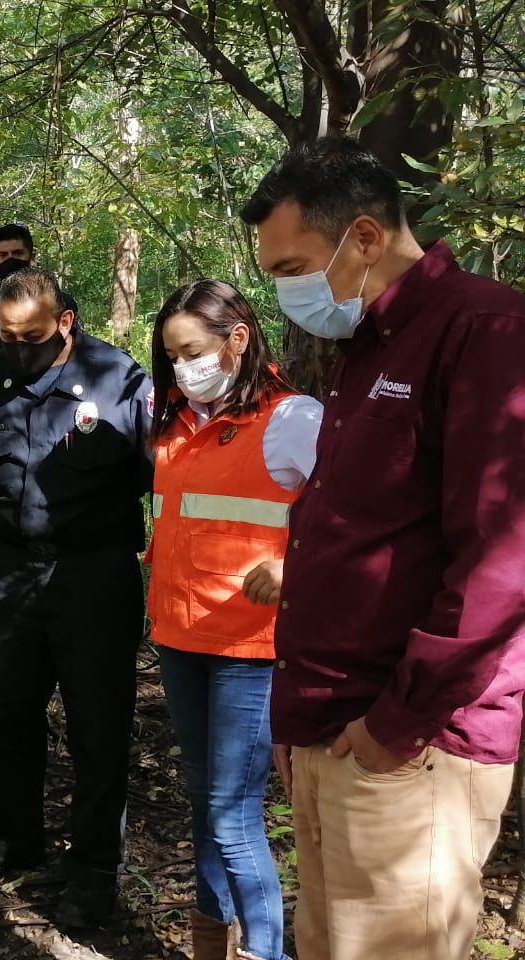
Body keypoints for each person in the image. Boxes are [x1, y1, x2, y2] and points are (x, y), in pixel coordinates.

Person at [242, 137, 525, 960]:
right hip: (335, 725)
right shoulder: (370, 344)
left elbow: (500, 564)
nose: (288, 291)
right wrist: (304, 724)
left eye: (294, 266)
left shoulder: (485, 330)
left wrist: (395, 727)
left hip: (414, 745)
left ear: (364, 237)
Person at [0, 267, 152, 929]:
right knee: (8, 712)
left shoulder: (120, 378)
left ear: (65, 322)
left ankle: (93, 869)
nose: (18, 348)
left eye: (31, 336)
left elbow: (166, 481)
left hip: (95, 573)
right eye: (6, 337)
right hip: (10, 567)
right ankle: (15, 840)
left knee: (97, 726)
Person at [147, 279, 321, 960]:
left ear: (237, 338)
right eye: (171, 356)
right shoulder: (179, 422)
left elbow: (355, 518)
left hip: (249, 651)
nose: (182, 367)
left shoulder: (293, 419)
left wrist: (295, 569)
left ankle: (266, 951)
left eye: (191, 350)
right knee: (203, 803)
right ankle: (210, 943)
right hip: (180, 637)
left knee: (233, 815)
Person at [0, 224, 78, 362]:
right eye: (3, 255)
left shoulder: (61, 303)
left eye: (18, 253)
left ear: (31, 257)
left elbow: (79, 352)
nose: (10, 259)